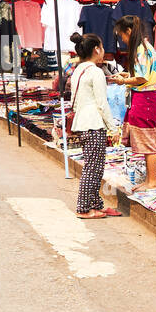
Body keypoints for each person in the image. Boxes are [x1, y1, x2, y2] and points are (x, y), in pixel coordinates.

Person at [68, 32, 121, 219]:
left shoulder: (78, 70)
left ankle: (96, 204)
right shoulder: (95, 72)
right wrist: (113, 128)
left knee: (95, 167)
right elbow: (102, 103)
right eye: (102, 47)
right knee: (93, 168)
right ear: (96, 49)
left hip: (83, 122)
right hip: (93, 123)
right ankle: (83, 208)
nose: (104, 51)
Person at [110, 15, 156, 191]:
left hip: (145, 98)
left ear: (129, 31)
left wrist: (124, 81)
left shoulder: (141, 50)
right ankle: (149, 180)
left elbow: (142, 78)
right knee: (146, 141)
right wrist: (126, 76)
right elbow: (141, 74)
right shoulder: (144, 48)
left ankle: (152, 182)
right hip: (144, 97)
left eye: (122, 35)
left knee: (148, 142)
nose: (122, 39)